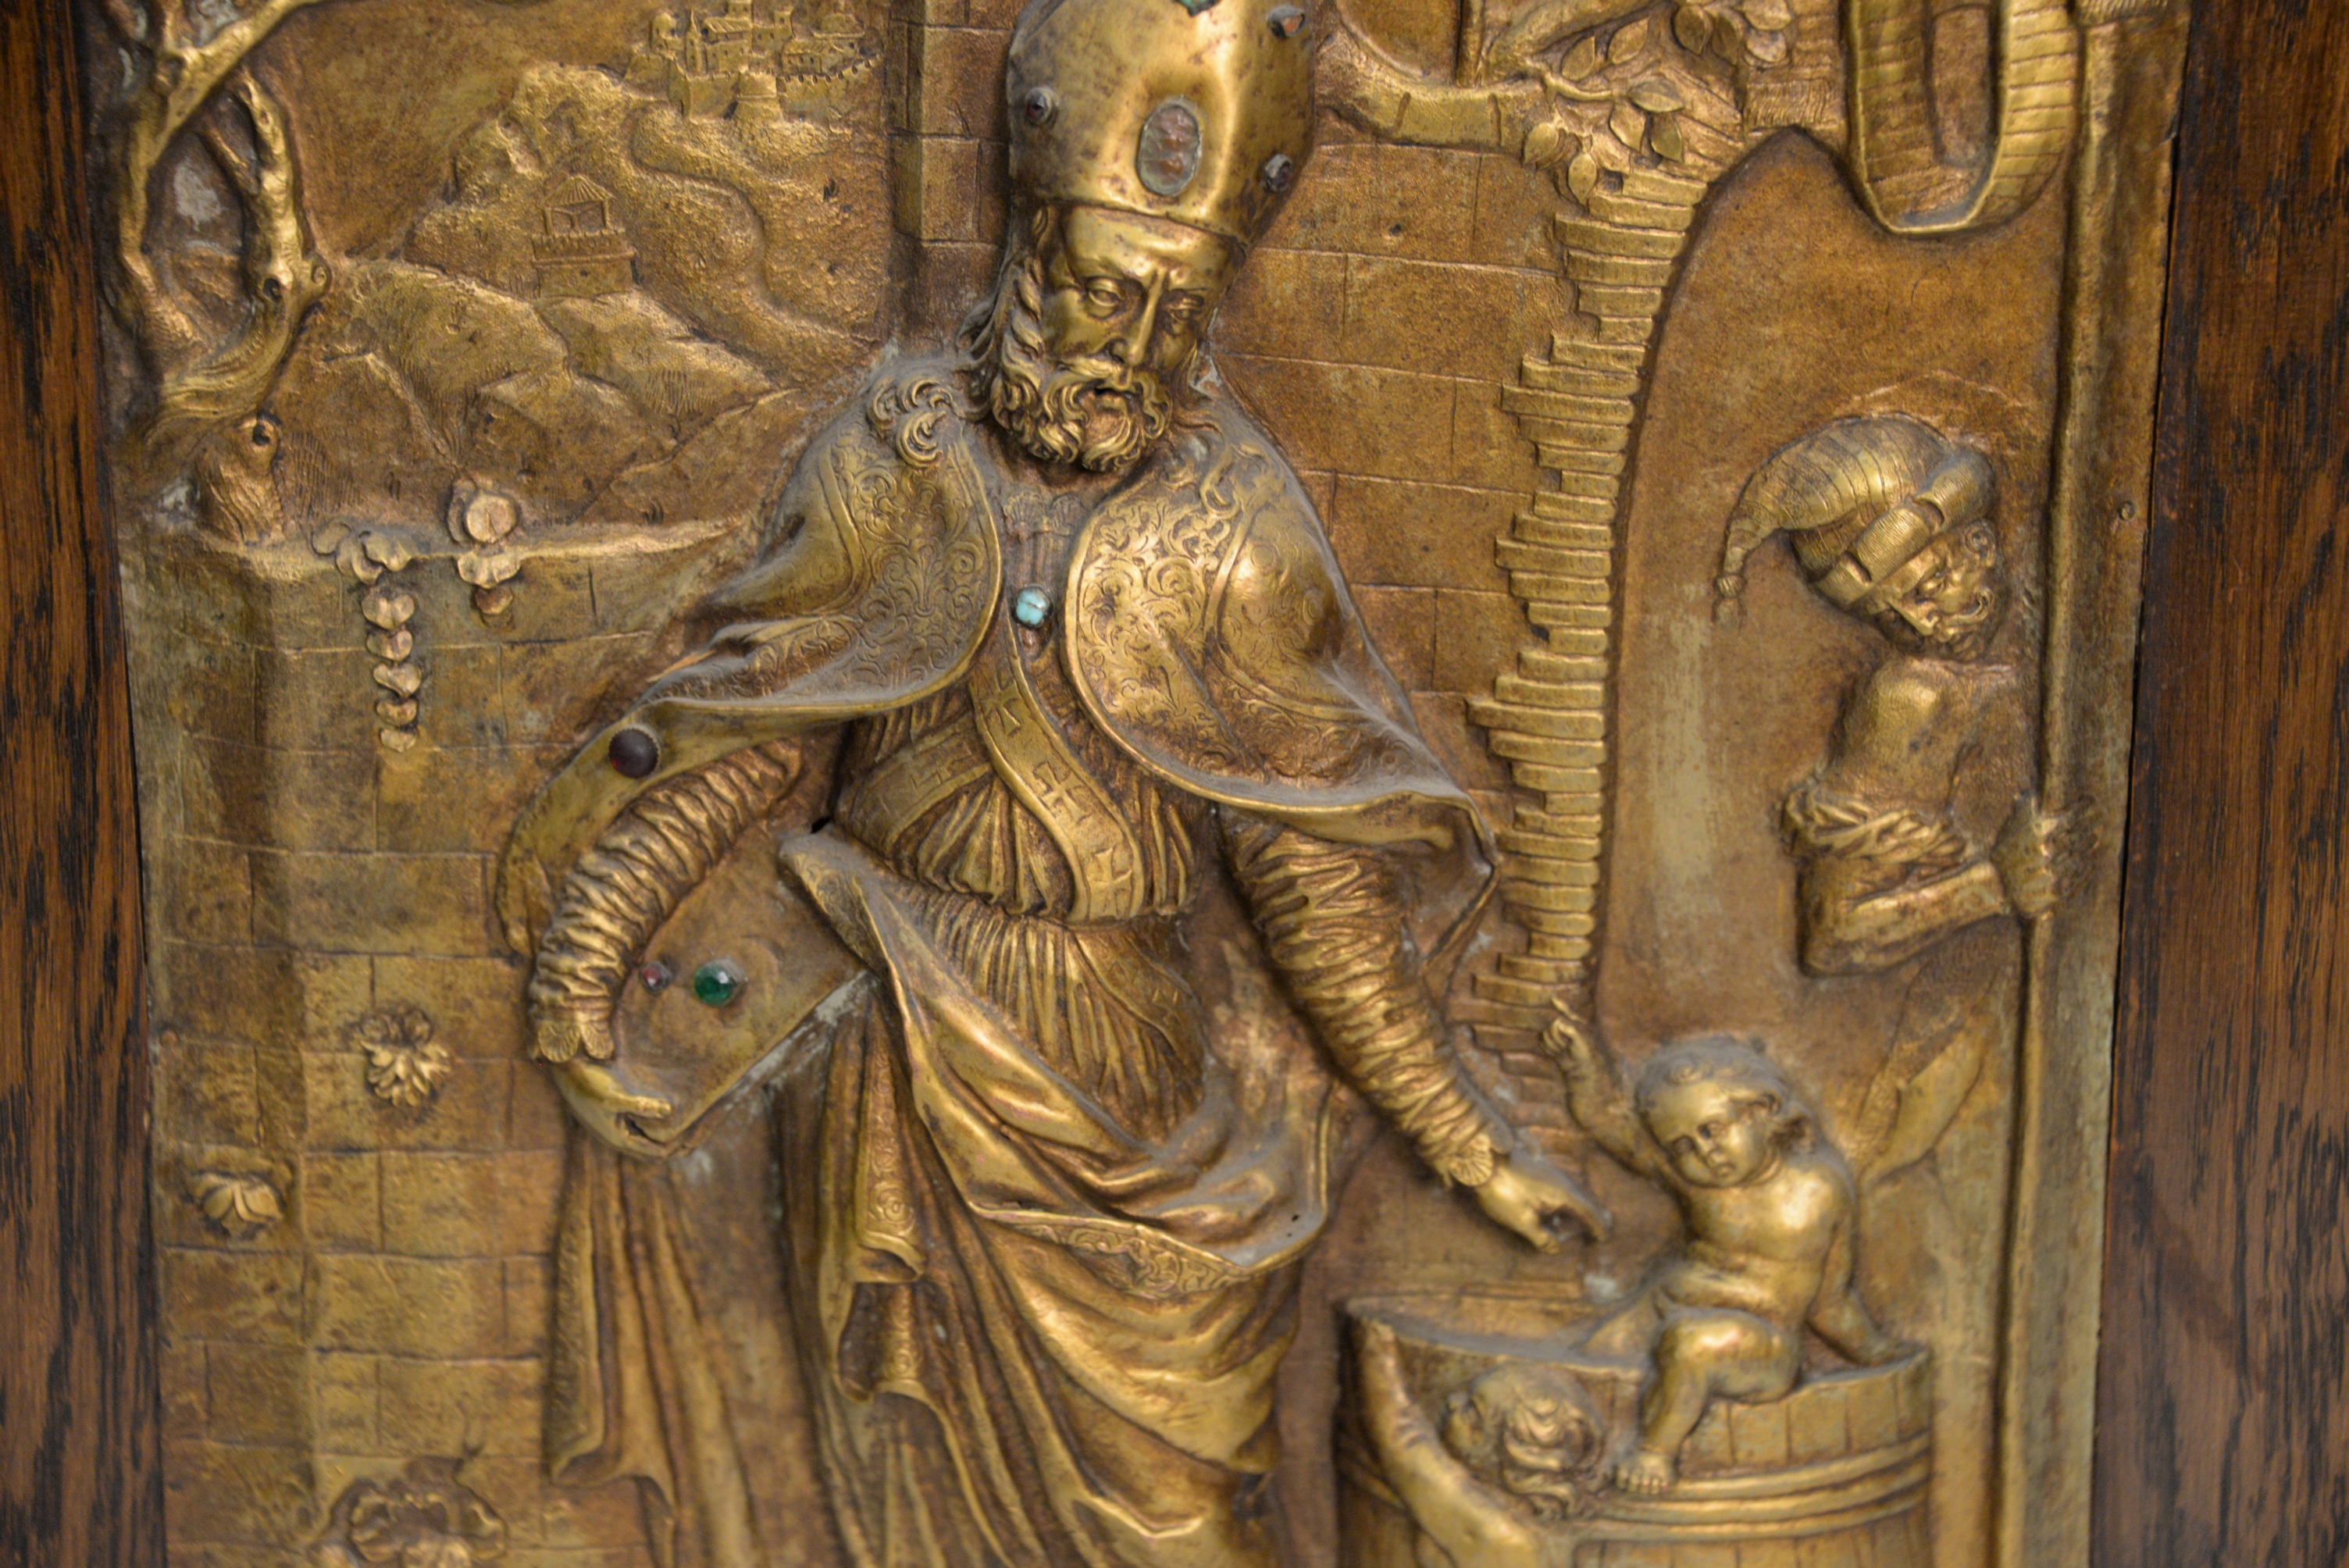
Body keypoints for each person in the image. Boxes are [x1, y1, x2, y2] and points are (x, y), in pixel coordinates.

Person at [494, 0, 1608, 1561]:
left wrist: (1464, 1135)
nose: (1127, 350)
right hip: (902, 1049)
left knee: (1178, 1512)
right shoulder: (897, 457)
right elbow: (751, 735)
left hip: (1127, 1066)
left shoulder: (1236, 529)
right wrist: (587, 958)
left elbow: (1307, 883)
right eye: (1099, 290)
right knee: (905, 1487)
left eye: (1175, 309)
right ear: (1028, 255)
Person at [1545, 1012, 1906, 1494]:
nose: (1703, 1153)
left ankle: (1655, 1452)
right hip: (1665, 1308)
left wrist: (1875, 1350)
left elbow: (1830, 1301)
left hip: (1763, 1344)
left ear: (1760, 1109)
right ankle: (1565, 1459)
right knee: (1592, 1357)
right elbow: (1615, 1131)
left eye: (1712, 1130)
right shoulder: (1696, 1184)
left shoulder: (1819, 1191)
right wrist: (1583, 1071)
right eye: (1682, 1146)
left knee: (1692, 1345)